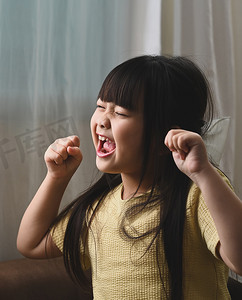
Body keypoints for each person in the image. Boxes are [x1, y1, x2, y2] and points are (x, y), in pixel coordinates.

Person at [17, 55, 242, 299]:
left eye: (120, 113)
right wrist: (56, 178)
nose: (102, 120)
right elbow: (31, 244)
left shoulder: (197, 192)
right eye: (101, 106)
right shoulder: (100, 207)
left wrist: (204, 173)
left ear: (163, 136)